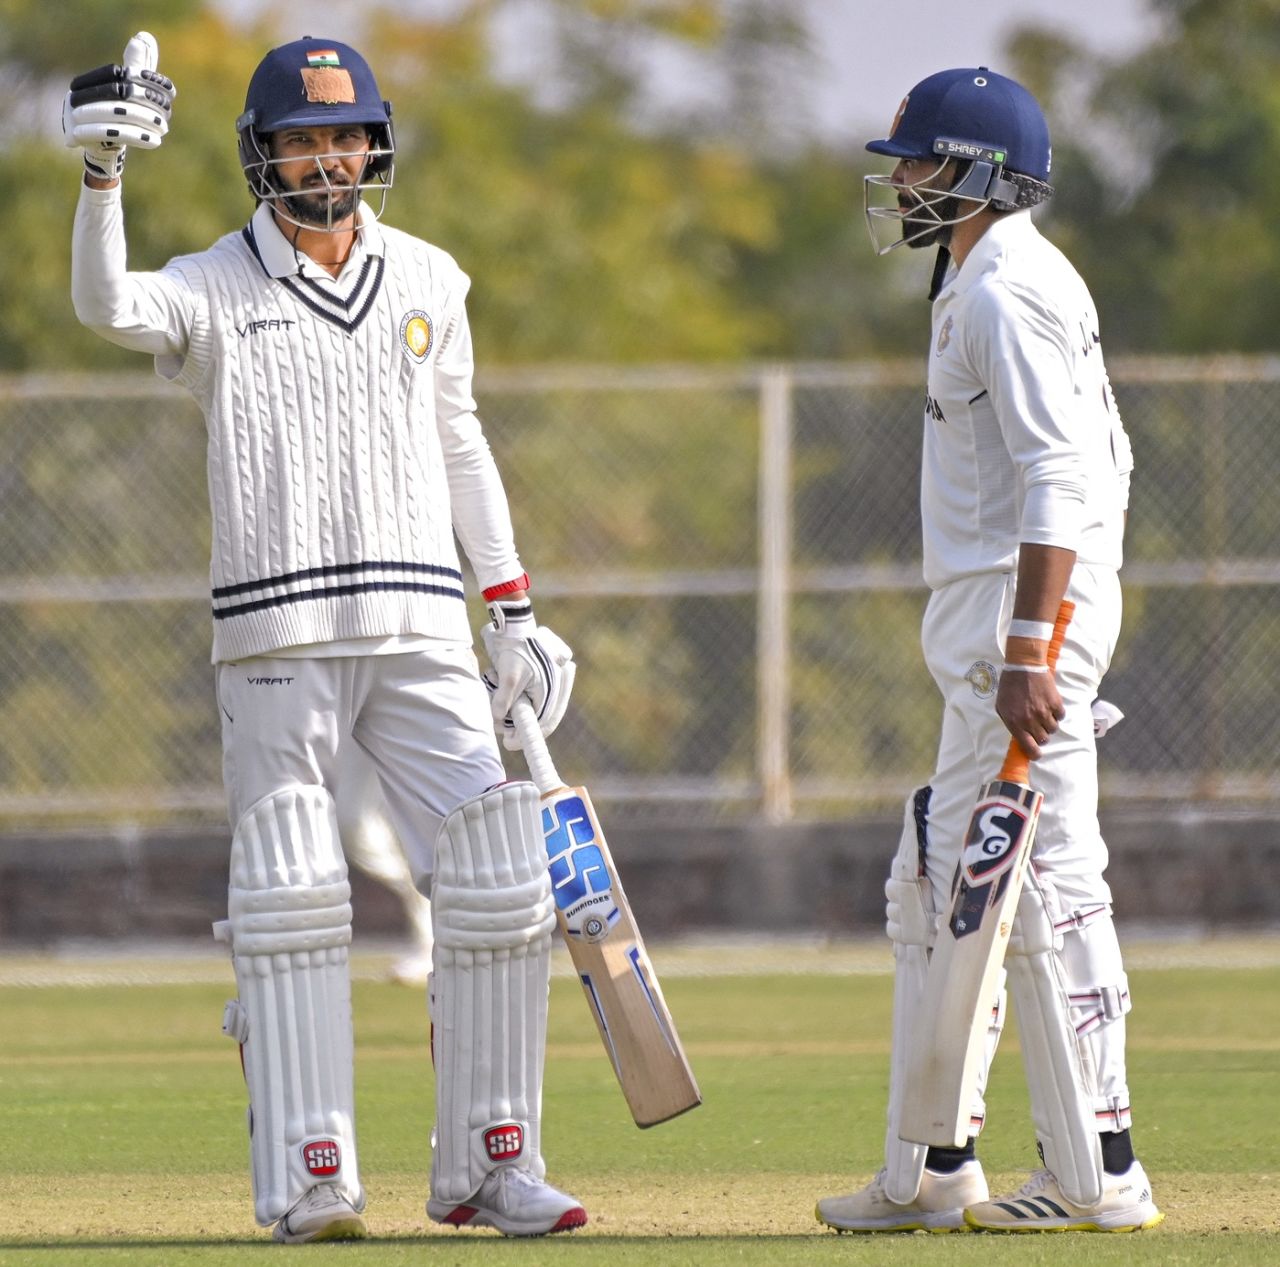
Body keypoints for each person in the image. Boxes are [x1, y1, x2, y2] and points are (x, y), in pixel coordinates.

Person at [67, 32, 587, 1243]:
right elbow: (105, 305)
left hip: (420, 623)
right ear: (262, 154)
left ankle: (490, 1165)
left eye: (344, 135)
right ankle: (313, 1175)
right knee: (293, 891)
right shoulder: (209, 284)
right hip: (277, 630)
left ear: (373, 143)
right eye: (302, 140)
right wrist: (102, 181)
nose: (327, 158)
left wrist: (508, 605)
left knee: (499, 881)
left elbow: (461, 442)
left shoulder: (430, 279)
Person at [816, 68, 1163, 1234]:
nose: (901, 180)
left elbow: (1062, 474)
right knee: (954, 877)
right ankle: (944, 1163)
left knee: (1021, 882)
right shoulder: (988, 277)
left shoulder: (1004, 292)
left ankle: (1082, 1170)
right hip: (1002, 621)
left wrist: (1032, 648)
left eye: (916, 161)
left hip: (1017, 624)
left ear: (971, 172)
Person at [333, 741, 435, 988]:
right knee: (352, 820)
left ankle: (431, 944)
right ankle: (430, 920)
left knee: (423, 807)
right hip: (340, 708)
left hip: (423, 710)